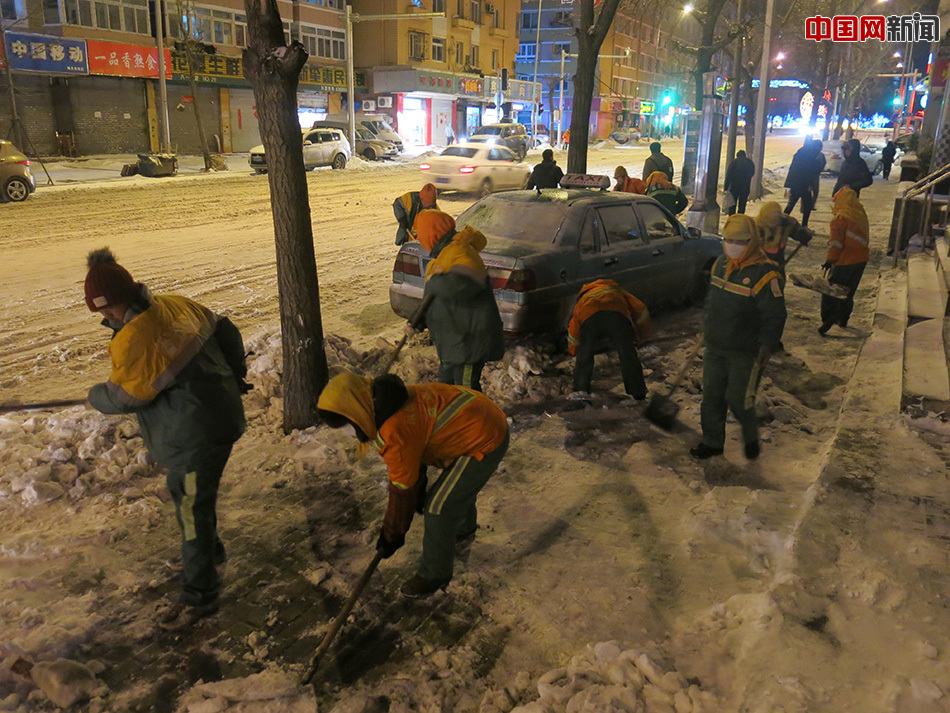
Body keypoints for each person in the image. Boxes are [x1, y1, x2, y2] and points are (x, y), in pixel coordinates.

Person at [84, 248, 248, 629]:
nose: (105, 317)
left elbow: (125, 397)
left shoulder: (136, 338)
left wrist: (95, 395)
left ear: (124, 297)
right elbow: (227, 330)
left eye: (107, 310)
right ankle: (208, 553)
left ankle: (200, 596)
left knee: (192, 510)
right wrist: (234, 375)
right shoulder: (176, 305)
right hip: (217, 416)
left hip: (194, 434)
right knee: (191, 499)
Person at [317, 371, 509, 598]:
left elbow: (402, 490)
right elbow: (415, 459)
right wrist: (416, 493)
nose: (347, 433)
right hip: (478, 418)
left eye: (346, 425)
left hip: (484, 436)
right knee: (454, 491)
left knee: (439, 507)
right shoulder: (387, 402)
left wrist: (391, 536)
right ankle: (461, 530)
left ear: (356, 412)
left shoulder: (393, 431)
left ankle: (434, 574)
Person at [690, 215, 786, 462]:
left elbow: (774, 314)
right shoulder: (721, 264)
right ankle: (712, 442)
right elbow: (713, 300)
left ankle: (750, 434)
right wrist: (708, 325)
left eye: (739, 241)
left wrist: (768, 343)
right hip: (716, 345)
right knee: (711, 396)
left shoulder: (764, 275)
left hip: (745, 350)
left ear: (752, 241)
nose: (732, 245)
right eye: (728, 239)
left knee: (738, 399)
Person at [411, 210, 505, 390]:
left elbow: (464, 285)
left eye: (420, 233)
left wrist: (434, 282)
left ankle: (480, 418)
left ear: (431, 232)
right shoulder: (441, 257)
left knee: (466, 390)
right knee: (447, 387)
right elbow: (434, 301)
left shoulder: (461, 251)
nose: (419, 238)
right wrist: (416, 321)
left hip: (469, 340)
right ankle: (453, 418)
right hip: (453, 343)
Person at [567, 279, 651, 401]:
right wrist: (642, 335)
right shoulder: (617, 290)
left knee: (584, 354)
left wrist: (573, 351)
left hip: (590, 319)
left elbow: (574, 330)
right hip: (617, 318)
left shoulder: (583, 299)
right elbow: (641, 310)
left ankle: (580, 388)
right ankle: (638, 392)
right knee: (627, 354)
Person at [819, 187, 869, 335]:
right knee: (849, 292)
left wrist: (830, 260)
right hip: (861, 260)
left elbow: (836, 243)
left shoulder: (840, 218)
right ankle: (844, 318)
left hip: (844, 260)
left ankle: (829, 318)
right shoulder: (860, 215)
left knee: (832, 291)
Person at [755, 201, 812, 272]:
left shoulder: (785, 222)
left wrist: (801, 233)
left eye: (778, 213)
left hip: (779, 260)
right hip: (759, 262)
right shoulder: (757, 225)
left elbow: (795, 230)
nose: (776, 215)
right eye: (773, 213)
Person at [783, 140, 823, 228]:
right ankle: (803, 225)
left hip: (794, 184)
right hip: (803, 185)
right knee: (806, 206)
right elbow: (812, 172)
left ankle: (781, 223)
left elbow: (793, 170)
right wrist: (810, 185)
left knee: (791, 205)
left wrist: (788, 185)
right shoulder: (811, 158)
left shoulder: (801, 154)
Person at [723, 150, 756, 215]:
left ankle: (732, 217)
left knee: (732, 204)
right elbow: (752, 173)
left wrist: (726, 187)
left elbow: (728, 175)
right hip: (746, 186)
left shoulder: (734, 162)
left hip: (735, 186)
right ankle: (740, 217)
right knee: (742, 204)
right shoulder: (749, 162)